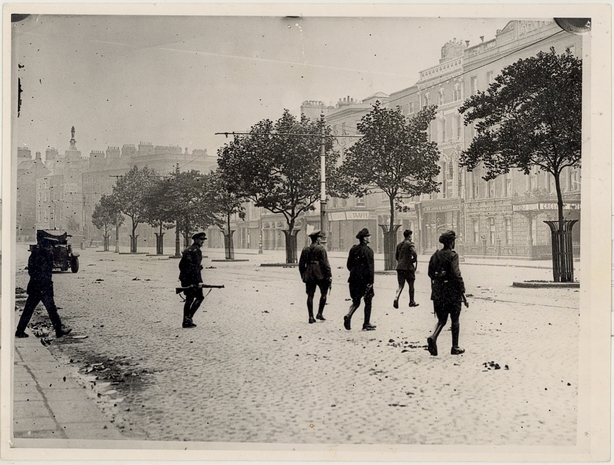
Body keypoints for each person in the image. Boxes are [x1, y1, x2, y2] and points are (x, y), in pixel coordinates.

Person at [15, 234, 72, 338]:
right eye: (50, 246)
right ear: (46, 246)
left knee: (30, 310)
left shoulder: (34, 254)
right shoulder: (45, 255)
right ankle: (58, 330)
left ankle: (20, 330)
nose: (51, 248)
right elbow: (45, 273)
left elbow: (31, 271)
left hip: (35, 287)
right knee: (51, 310)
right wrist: (44, 285)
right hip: (43, 288)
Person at [426, 230, 468, 356]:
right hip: (452, 293)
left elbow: (430, 273)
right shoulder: (453, 256)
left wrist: (439, 276)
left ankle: (433, 336)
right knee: (455, 319)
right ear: (451, 242)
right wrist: (462, 289)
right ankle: (455, 347)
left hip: (438, 292)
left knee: (442, 320)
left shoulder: (435, 255)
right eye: (454, 240)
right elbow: (456, 274)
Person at [343, 228, 376, 331]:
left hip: (353, 280)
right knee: (368, 301)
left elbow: (348, 265)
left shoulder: (353, 249)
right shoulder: (369, 251)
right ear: (364, 239)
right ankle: (366, 323)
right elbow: (370, 268)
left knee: (356, 301)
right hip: (365, 281)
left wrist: (355, 273)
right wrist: (370, 282)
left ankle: (348, 315)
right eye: (368, 236)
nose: (370, 238)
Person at [298, 230, 332, 324]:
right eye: (319, 238)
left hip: (309, 274)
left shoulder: (305, 249)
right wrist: (329, 275)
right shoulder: (321, 249)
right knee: (324, 293)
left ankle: (311, 317)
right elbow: (325, 264)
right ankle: (319, 313)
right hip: (320, 274)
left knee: (310, 295)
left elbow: (301, 264)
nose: (320, 239)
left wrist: (303, 275)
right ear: (317, 239)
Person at [178, 232, 207, 328]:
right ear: (196, 240)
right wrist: (198, 281)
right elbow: (195, 268)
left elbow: (181, 265)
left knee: (189, 299)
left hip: (185, 278)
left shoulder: (187, 250)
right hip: (193, 279)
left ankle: (185, 321)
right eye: (201, 240)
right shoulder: (197, 251)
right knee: (200, 297)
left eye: (203, 240)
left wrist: (184, 275)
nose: (202, 242)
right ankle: (189, 318)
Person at [393, 229, 419, 308]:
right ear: (409, 236)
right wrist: (413, 260)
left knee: (400, 285)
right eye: (411, 235)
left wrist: (401, 262)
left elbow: (396, 256)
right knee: (411, 285)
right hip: (408, 268)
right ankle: (411, 302)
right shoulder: (410, 244)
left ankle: (396, 297)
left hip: (400, 267)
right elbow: (414, 253)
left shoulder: (399, 245)